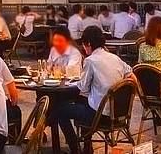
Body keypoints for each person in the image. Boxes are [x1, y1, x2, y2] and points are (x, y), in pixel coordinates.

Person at [51, 26, 132, 154]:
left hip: (99, 115)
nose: (83, 48)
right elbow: (131, 76)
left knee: (60, 110)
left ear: (88, 43)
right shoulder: (115, 58)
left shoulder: (90, 61)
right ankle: (87, 148)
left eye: (84, 45)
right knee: (84, 102)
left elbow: (83, 88)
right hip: (118, 113)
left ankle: (75, 149)